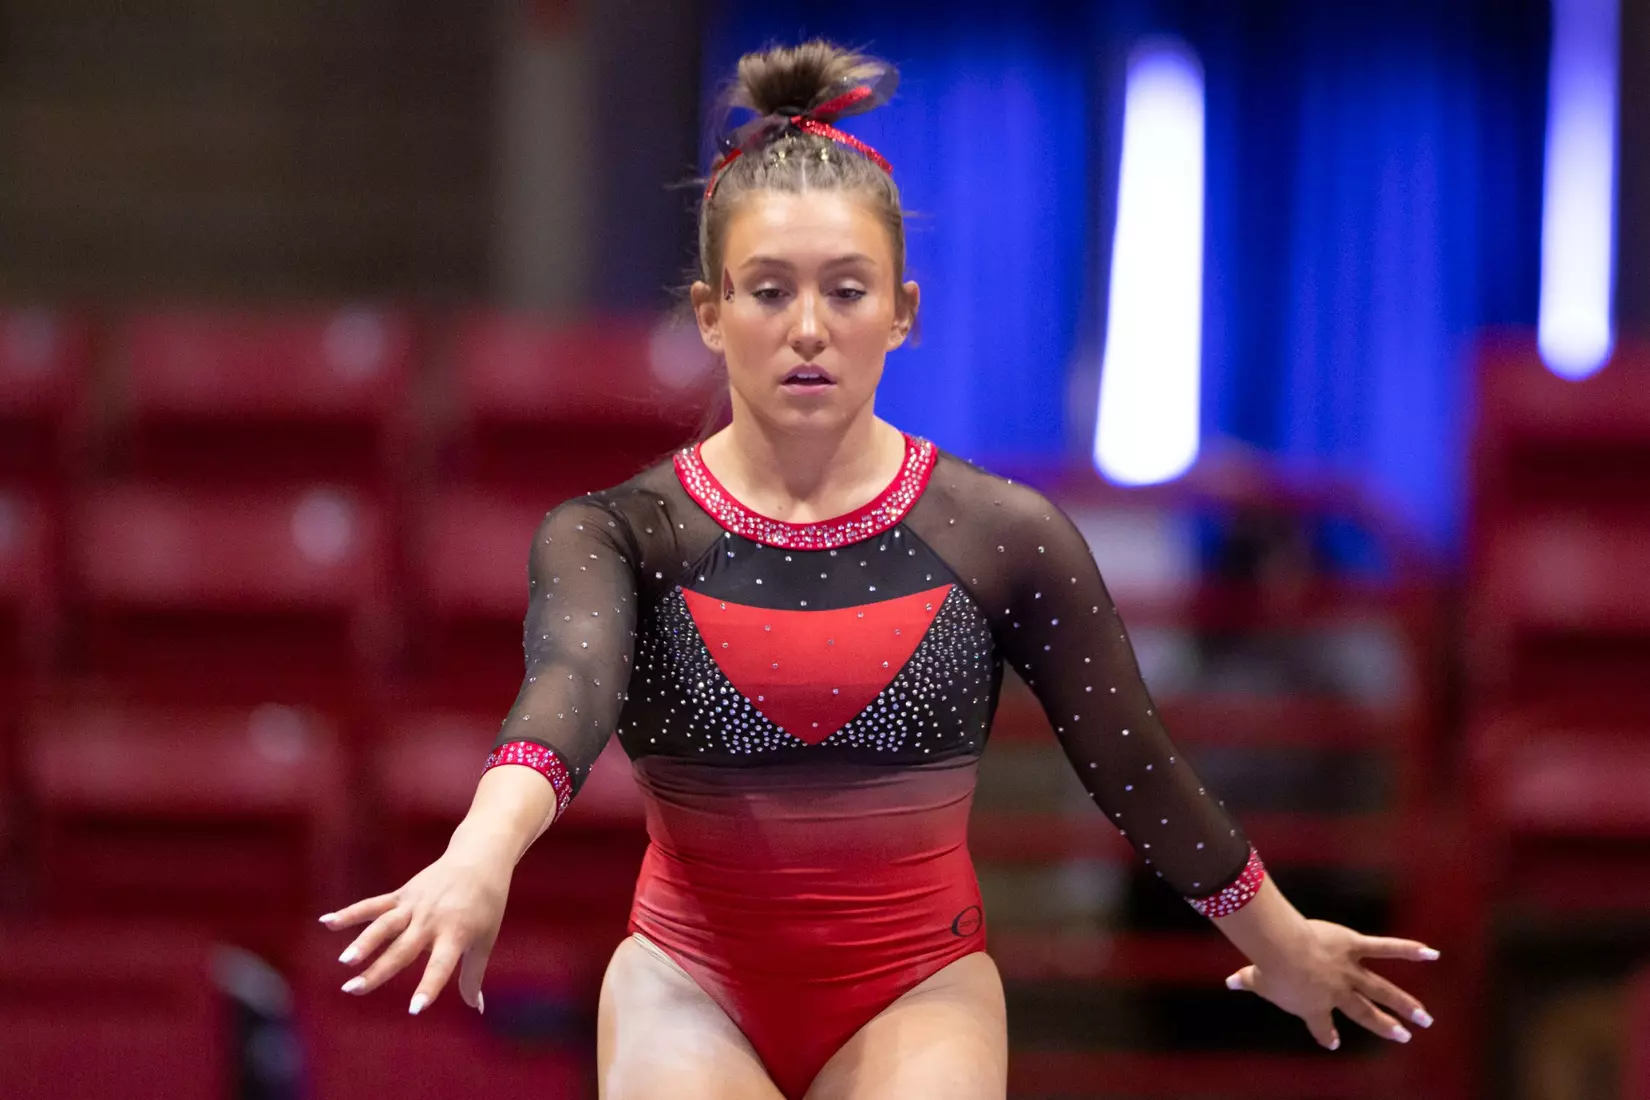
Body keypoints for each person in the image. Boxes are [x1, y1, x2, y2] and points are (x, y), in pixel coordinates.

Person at [318, 39, 1440, 1100]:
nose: (808, 326)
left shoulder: (1005, 533)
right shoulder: (618, 533)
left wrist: (1284, 940)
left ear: (901, 312)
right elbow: (563, 696)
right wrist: (477, 857)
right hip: (688, 980)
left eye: (846, 290)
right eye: (767, 290)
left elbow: (1134, 764)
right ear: (711, 315)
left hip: (917, 984)